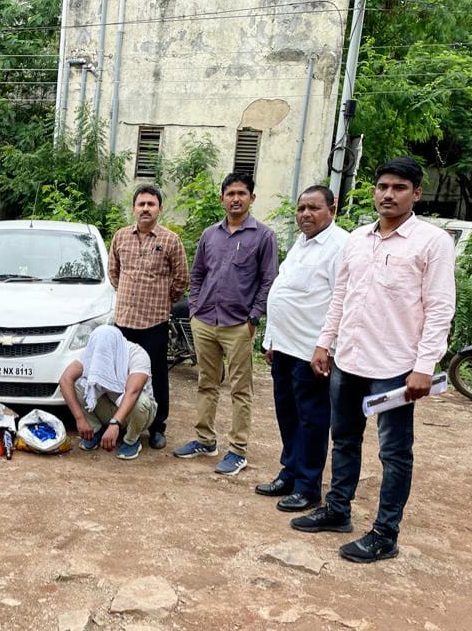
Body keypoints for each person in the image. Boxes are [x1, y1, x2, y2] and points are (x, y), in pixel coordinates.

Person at [292, 157, 456, 564]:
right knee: (343, 439)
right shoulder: (358, 240)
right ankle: (338, 509)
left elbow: (439, 309)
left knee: (394, 453)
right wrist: (324, 343)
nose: (388, 194)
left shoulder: (431, 243)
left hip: (396, 367)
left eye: (399, 187)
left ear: (416, 193)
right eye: (383, 186)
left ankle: (385, 533)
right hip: (348, 360)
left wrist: (424, 366)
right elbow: (341, 298)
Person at [173, 171, 278, 476]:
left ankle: (238, 450)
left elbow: (268, 280)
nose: (235, 199)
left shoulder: (263, 236)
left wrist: (253, 318)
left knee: (240, 389)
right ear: (222, 198)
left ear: (251, 198)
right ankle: (205, 440)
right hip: (204, 320)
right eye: (230, 194)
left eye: (241, 194)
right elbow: (198, 274)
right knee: (207, 382)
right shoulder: (210, 235)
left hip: (238, 325)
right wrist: (194, 308)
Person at [258, 186, 348, 512]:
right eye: (301, 209)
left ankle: (309, 486)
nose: (305, 214)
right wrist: (271, 340)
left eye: (313, 208)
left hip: (312, 351)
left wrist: (328, 347)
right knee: (287, 414)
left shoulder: (340, 246)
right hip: (284, 346)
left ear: (332, 209)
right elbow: (282, 291)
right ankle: (291, 472)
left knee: (312, 418)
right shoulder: (301, 242)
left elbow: (343, 302)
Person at [107, 184, 189, 450]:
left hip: (154, 321)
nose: (145, 209)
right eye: (141, 204)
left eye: (150, 204)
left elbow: (181, 279)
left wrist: (163, 299)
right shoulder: (120, 237)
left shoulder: (170, 240)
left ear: (159, 209)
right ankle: (123, 421)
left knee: (156, 373)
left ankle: (157, 427)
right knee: (122, 372)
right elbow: (114, 273)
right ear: (133, 208)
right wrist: (131, 294)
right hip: (124, 320)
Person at [58, 325, 157, 460]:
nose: (101, 354)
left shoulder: (137, 354)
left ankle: (131, 439)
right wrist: (80, 419)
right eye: (99, 350)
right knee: (78, 385)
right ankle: (95, 430)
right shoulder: (94, 351)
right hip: (109, 408)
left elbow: (133, 392)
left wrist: (115, 424)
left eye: (105, 350)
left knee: (140, 401)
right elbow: (65, 380)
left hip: (137, 414)